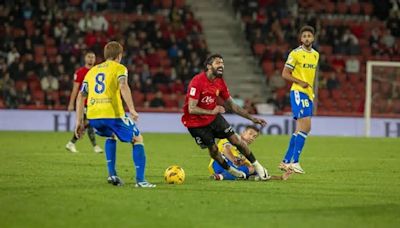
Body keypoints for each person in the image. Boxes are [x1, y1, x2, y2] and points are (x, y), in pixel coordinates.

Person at [74, 41, 155, 188]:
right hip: (112, 114)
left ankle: (112, 175)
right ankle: (141, 180)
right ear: (119, 55)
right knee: (137, 138)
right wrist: (132, 109)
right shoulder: (119, 68)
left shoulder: (92, 71)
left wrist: (79, 122)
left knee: (111, 136)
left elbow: (81, 96)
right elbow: (123, 86)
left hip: (93, 116)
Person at [181, 53, 270, 180]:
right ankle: (230, 170)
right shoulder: (197, 82)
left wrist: (252, 118)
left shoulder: (220, 82)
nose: (221, 65)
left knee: (236, 140)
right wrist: (213, 111)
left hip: (213, 118)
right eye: (218, 62)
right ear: (208, 66)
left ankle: (258, 166)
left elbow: (233, 106)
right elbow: (192, 108)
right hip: (196, 124)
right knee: (213, 149)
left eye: (222, 63)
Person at [278, 25, 319, 174]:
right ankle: (295, 162)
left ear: (313, 38)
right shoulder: (295, 53)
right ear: (300, 39)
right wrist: (299, 82)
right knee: (306, 127)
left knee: (300, 129)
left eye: (309, 36)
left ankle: (286, 161)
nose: (307, 38)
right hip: (298, 92)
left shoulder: (316, 55)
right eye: (304, 36)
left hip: (308, 94)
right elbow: (285, 73)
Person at [209, 125, 293, 181]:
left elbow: (255, 169)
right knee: (248, 169)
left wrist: (280, 177)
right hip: (219, 163)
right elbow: (226, 150)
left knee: (252, 169)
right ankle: (221, 176)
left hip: (231, 168)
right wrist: (234, 159)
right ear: (243, 132)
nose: (252, 138)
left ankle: (252, 178)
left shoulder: (246, 153)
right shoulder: (233, 138)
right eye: (250, 134)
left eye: (254, 137)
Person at [65, 51, 103, 153]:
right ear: (85, 59)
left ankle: (71, 143)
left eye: (93, 57)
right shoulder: (80, 72)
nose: (91, 59)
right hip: (83, 103)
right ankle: (95, 146)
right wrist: (71, 103)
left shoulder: (97, 71)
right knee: (89, 123)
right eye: (89, 57)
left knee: (87, 124)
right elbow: (75, 89)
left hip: (93, 102)